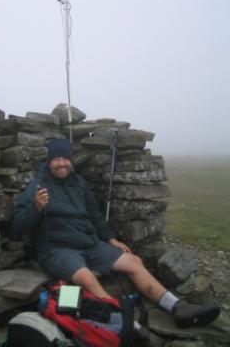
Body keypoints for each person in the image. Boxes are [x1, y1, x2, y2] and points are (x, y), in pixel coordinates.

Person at [12, 139, 220, 336]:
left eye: (65, 158)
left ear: (71, 160)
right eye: (56, 159)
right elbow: (18, 226)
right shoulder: (38, 187)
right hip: (57, 249)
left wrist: (110, 239)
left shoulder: (79, 183)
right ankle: (133, 328)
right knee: (87, 278)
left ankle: (177, 307)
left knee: (133, 261)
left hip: (89, 243)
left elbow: (94, 215)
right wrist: (36, 208)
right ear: (49, 162)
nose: (62, 163)